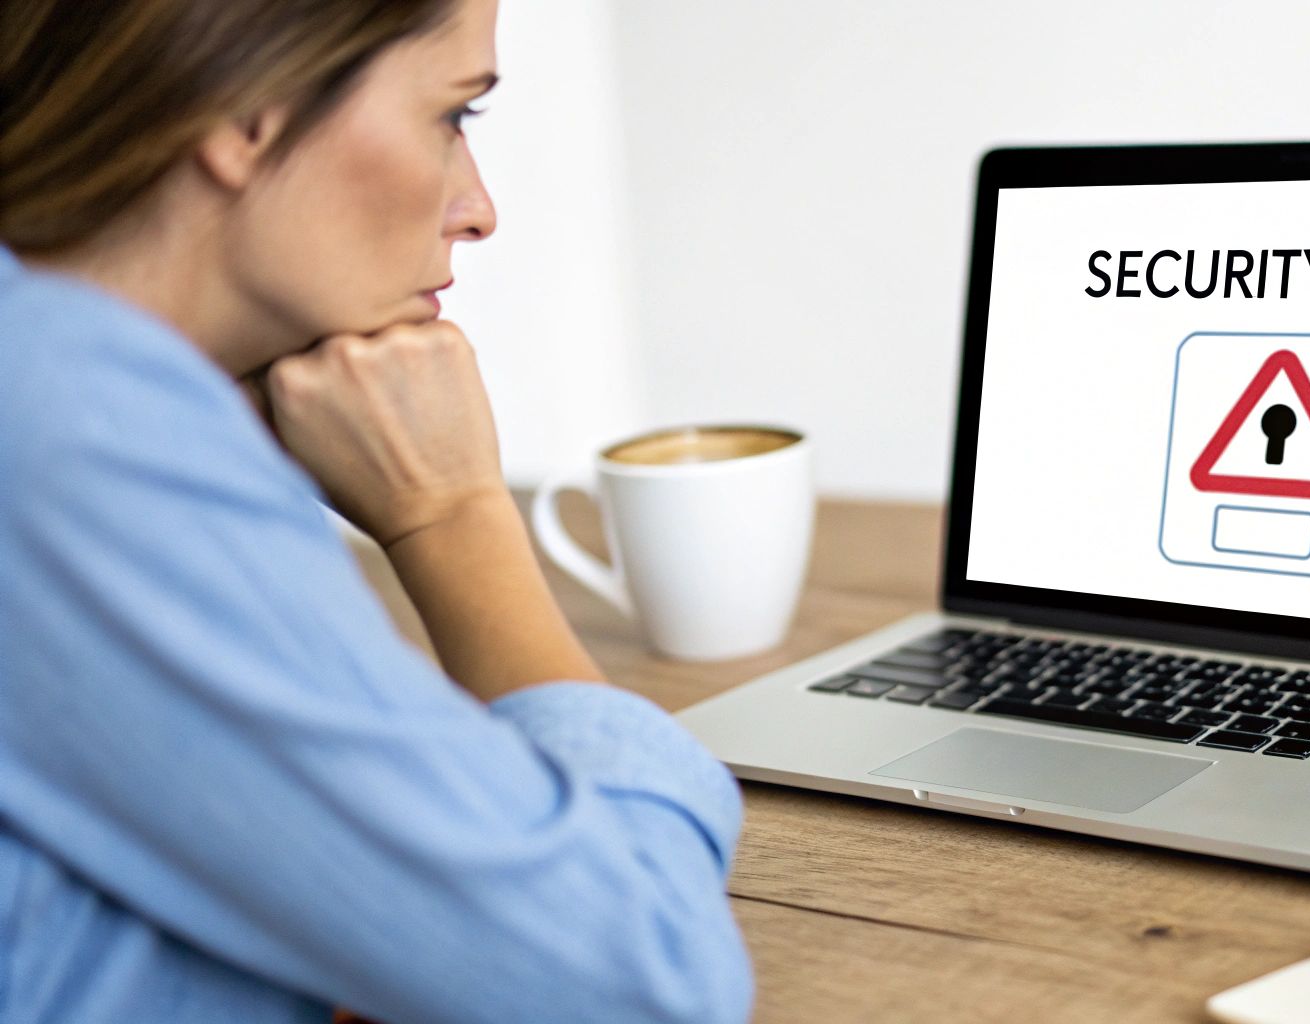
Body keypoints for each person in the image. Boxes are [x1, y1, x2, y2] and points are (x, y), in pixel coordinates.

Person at [0, 1, 753, 1021]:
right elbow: (636, 979)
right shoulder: (76, 428)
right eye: (454, 117)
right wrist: (451, 514)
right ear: (248, 112)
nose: (478, 208)